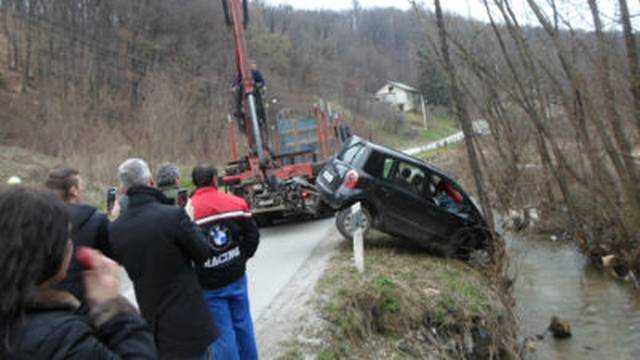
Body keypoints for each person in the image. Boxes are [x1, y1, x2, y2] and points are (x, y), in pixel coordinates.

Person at [0, 188, 156, 359]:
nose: (70, 244)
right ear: (47, 252)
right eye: (65, 237)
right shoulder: (60, 337)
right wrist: (113, 309)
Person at [109, 158, 217, 360]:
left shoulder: (116, 229)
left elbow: (117, 260)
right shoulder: (174, 216)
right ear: (151, 181)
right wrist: (191, 222)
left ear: (123, 189)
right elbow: (203, 253)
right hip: (189, 322)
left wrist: (113, 220)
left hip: (154, 326)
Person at [190, 164, 260, 360]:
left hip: (208, 282)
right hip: (236, 275)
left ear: (195, 182)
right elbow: (252, 235)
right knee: (243, 324)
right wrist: (241, 258)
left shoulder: (187, 212)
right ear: (215, 179)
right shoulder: (237, 203)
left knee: (222, 332)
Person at [45, 167, 111, 309]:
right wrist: (111, 221)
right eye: (81, 186)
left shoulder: (30, 219)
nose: (83, 189)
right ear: (73, 190)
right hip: (85, 302)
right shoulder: (95, 219)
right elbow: (112, 255)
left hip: (39, 302)